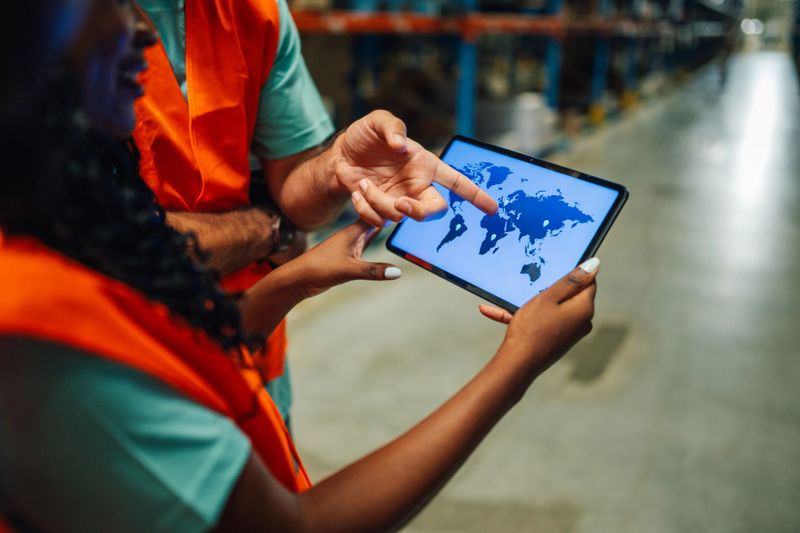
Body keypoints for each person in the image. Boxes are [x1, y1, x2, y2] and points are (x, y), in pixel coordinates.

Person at [0, 1, 599, 531]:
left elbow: (171, 346)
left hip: (235, 354)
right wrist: (518, 363)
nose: (142, 33)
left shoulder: (63, 223)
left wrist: (295, 274)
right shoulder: (46, 341)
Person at [132, 0, 499, 424]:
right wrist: (272, 231)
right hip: (124, 360)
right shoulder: (67, 26)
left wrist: (334, 168)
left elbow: (294, 193)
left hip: (253, 348)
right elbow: (114, 241)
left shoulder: (255, 12)